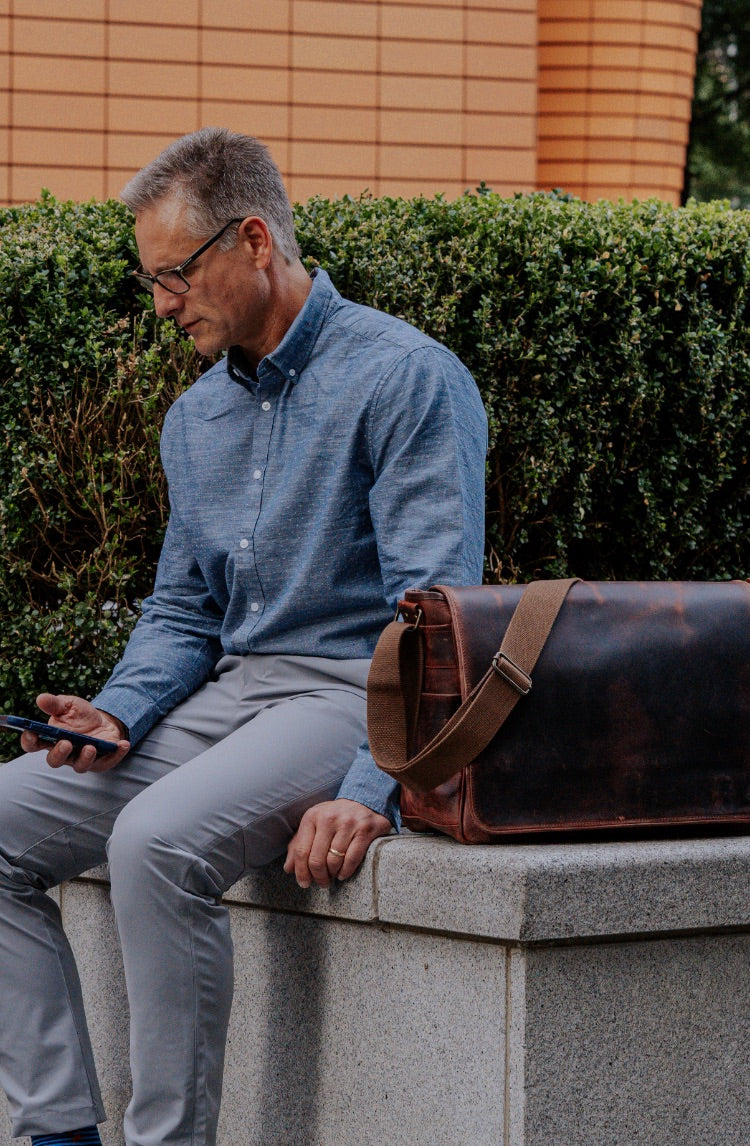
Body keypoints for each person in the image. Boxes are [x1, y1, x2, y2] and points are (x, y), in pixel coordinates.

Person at [0, 128, 487, 1146]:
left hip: (344, 695)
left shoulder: (405, 378)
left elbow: (433, 614)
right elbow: (183, 612)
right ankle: (56, 1132)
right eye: (153, 281)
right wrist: (119, 711)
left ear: (254, 239)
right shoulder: (195, 420)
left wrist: (370, 790)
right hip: (229, 698)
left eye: (175, 274)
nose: (164, 303)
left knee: (154, 842)